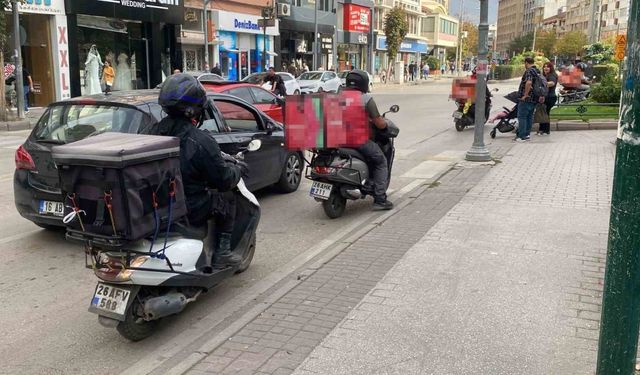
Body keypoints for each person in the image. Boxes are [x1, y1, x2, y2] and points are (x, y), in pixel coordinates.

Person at [152, 74, 246, 268]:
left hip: (158, 203)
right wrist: (236, 169)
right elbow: (223, 179)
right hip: (189, 207)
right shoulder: (200, 140)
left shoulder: (152, 131)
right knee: (227, 197)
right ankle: (222, 253)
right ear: (194, 110)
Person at [344, 69, 394, 211]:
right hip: (357, 140)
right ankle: (380, 199)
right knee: (381, 161)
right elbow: (378, 122)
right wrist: (384, 126)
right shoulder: (365, 99)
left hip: (336, 139)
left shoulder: (337, 96)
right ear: (364, 83)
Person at [515, 57, 539, 142]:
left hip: (527, 99)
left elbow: (529, 82)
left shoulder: (529, 71)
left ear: (526, 63)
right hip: (534, 98)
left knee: (522, 117)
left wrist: (525, 95)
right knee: (529, 117)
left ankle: (522, 136)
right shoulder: (537, 71)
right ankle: (527, 134)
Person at [537, 62, 558, 136]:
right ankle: (543, 129)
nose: (546, 68)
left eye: (548, 67)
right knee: (544, 113)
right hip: (546, 97)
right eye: (544, 67)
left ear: (551, 68)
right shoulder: (545, 75)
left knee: (545, 113)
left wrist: (541, 85)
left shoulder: (552, 75)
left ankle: (544, 130)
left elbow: (552, 83)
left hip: (550, 97)